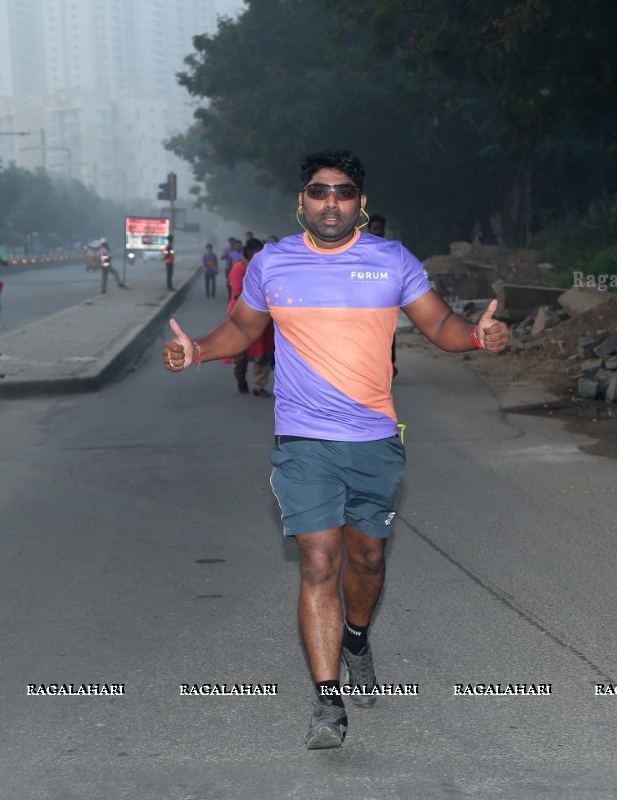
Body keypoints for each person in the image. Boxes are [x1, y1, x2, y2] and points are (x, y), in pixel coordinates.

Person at [163, 149, 508, 750]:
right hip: (303, 440)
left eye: (343, 192)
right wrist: (199, 349)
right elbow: (245, 328)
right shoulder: (274, 263)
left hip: (374, 440)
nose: (331, 202)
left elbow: (440, 325)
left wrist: (477, 335)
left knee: (367, 560)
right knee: (319, 563)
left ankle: (356, 639)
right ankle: (328, 703)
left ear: (361, 203)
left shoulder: (391, 260)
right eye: (319, 192)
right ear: (302, 201)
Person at [224, 240, 275, 396]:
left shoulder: (265, 267)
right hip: (241, 318)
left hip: (263, 316)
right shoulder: (239, 268)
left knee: (264, 354)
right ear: (248, 252)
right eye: (256, 252)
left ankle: (258, 386)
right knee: (241, 357)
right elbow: (238, 294)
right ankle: (241, 380)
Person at [366, 215, 397, 376]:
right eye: (375, 229)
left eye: (380, 229)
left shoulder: (390, 250)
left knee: (387, 334)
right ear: (369, 229)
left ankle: (388, 365)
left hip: (385, 301)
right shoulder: (361, 250)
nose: (378, 232)